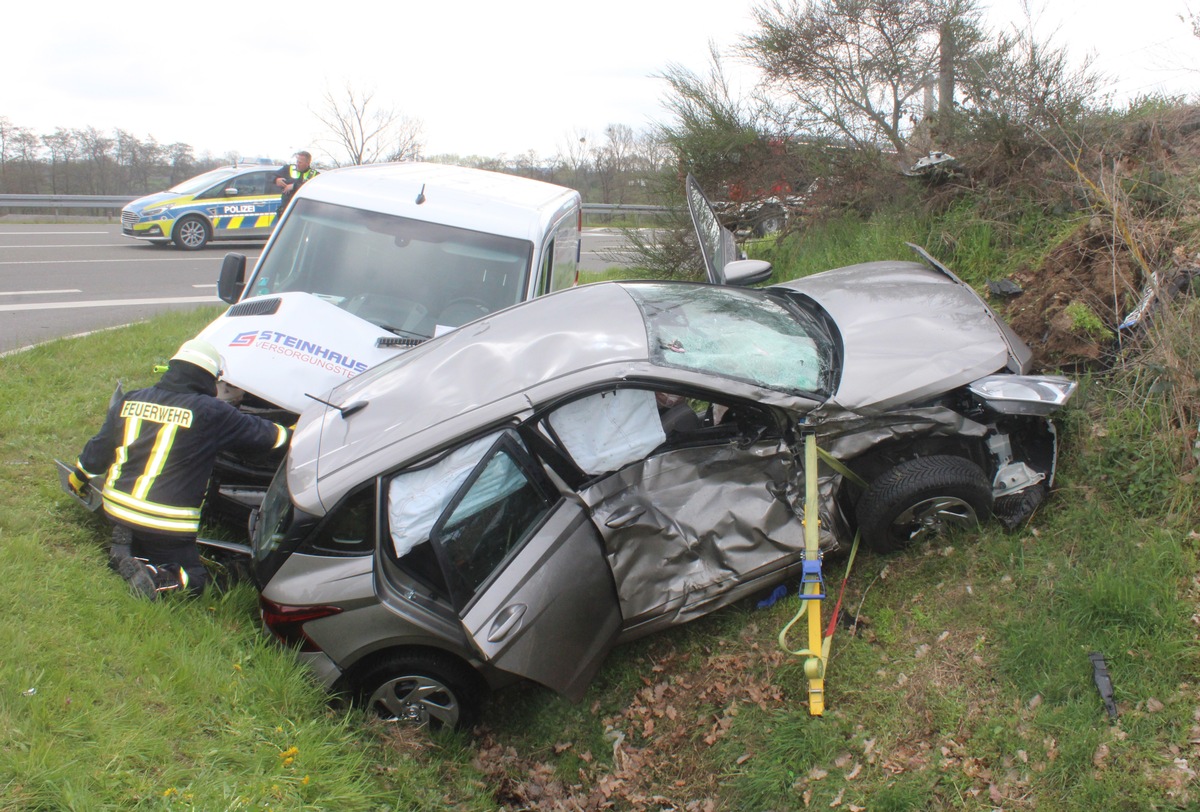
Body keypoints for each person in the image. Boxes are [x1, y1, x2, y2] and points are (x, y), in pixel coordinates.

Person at [67, 339, 290, 599]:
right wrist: (298, 430)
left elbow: (98, 450)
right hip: (164, 522)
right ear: (210, 379)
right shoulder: (211, 411)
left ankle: (128, 546)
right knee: (195, 578)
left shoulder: (131, 400)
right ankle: (156, 577)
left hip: (115, 506)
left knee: (144, 538)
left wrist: (78, 477)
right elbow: (268, 437)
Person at [274, 150, 318, 220]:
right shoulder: (288, 169)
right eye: (297, 161)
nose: (297, 164)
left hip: (304, 214)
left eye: (300, 162)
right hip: (286, 211)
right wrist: (276, 179)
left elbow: (314, 189)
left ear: (307, 163)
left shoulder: (315, 175)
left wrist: (294, 186)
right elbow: (270, 176)